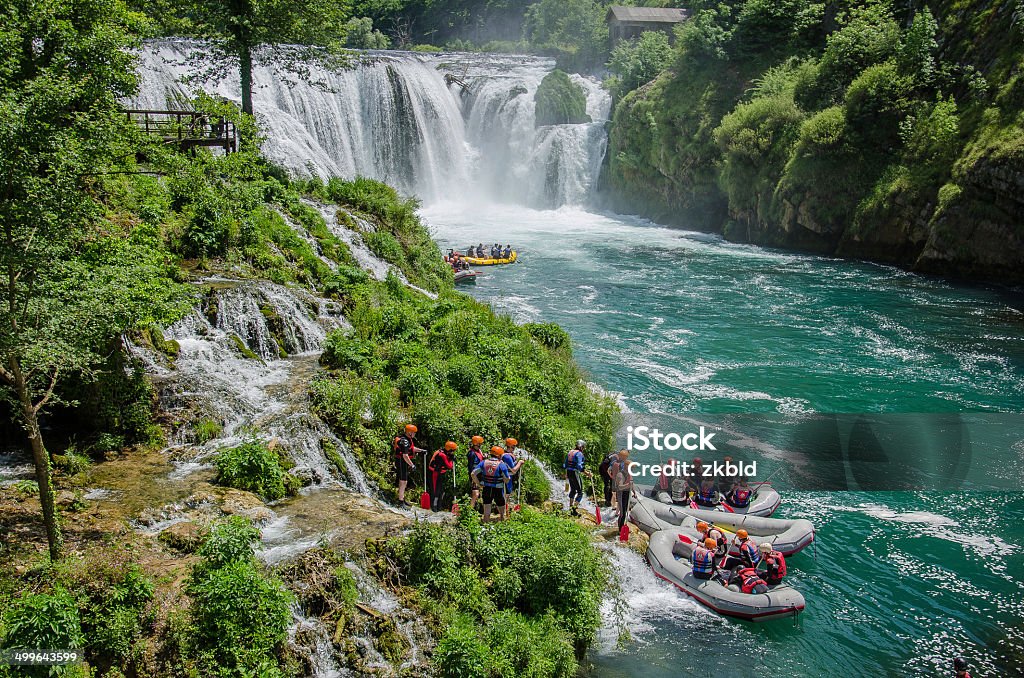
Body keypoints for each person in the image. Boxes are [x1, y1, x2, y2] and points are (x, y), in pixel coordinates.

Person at [472, 445, 512, 522]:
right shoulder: (501, 464)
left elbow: (473, 473)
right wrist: (504, 479)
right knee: (502, 513)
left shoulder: (483, 462)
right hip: (498, 490)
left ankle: (486, 525)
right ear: (499, 455)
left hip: (486, 488)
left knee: (486, 512)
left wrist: (479, 484)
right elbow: (507, 479)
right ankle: (503, 526)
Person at [393, 424, 424, 506]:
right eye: (414, 433)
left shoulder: (407, 439)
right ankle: (400, 501)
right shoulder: (405, 441)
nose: (415, 434)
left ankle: (402, 498)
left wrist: (421, 450)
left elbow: (411, 448)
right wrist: (412, 465)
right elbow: (405, 456)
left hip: (403, 461)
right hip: (401, 461)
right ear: (409, 433)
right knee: (403, 481)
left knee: (404, 481)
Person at [429, 441, 456, 511]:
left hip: (441, 473)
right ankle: (434, 506)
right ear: (449, 450)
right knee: (436, 490)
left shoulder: (445, 453)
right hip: (435, 473)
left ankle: (439, 505)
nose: (453, 452)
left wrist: (451, 458)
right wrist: (452, 460)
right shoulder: (442, 455)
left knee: (441, 490)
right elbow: (449, 466)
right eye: (452, 451)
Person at [610, 449, 634, 531]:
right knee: (622, 513)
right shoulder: (621, 474)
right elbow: (620, 487)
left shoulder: (629, 473)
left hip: (627, 493)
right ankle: (620, 529)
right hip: (621, 493)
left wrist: (634, 491)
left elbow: (631, 482)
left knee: (626, 512)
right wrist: (628, 485)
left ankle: (622, 527)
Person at [501, 438, 524, 518]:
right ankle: (503, 514)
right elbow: (513, 470)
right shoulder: (507, 456)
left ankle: (506, 513)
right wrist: (520, 463)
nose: (514, 448)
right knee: (505, 496)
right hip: (508, 478)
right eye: (514, 446)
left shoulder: (505, 454)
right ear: (511, 446)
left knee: (506, 496)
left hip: (508, 477)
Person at [563, 439, 587, 516]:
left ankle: (570, 507)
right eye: (583, 447)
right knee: (580, 492)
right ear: (581, 447)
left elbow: (565, 464)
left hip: (569, 472)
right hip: (575, 472)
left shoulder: (570, 452)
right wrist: (586, 473)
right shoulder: (579, 454)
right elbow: (579, 466)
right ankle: (574, 509)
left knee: (573, 490)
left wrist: (566, 474)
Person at [466, 435, 485, 509]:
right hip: (475, 475)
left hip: (480, 474)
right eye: (480, 444)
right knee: (475, 494)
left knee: (480, 493)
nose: (480, 445)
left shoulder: (478, 451)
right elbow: (470, 467)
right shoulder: (471, 453)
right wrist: (473, 478)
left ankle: (479, 509)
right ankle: (470, 510)